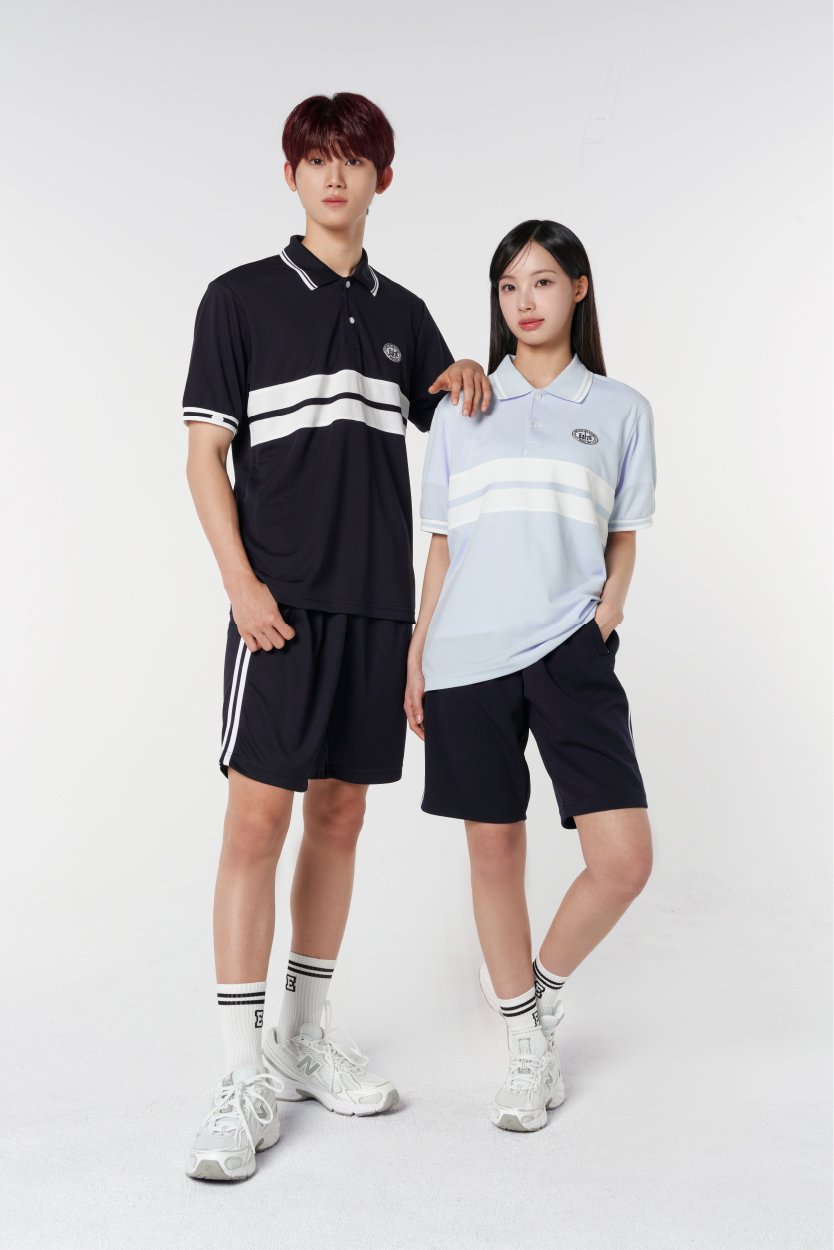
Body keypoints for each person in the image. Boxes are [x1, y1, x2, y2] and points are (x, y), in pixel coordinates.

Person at [182, 92, 491, 1181]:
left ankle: (302, 1036)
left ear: (380, 179)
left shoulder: (405, 312)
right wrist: (240, 585)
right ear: (292, 174)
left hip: (374, 607)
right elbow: (203, 458)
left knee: (342, 814)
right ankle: (239, 1074)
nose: (334, 176)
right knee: (256, 821)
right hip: (277, 606)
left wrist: (469, 375)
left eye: (353, 159)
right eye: (316, 158)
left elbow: (456, 418)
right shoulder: (239, 298)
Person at [405, 219, 656, 1133]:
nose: (525, 301)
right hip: (467, 656)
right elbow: (442, 548)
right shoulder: (462, 408)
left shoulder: (621, 408)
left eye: (543, 282)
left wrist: (606, 614)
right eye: (509, 286)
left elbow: (623, 534)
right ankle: (523, 1044)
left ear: (578, 289)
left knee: (623, 861)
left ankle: (537, 990)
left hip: (570, 650)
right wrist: (417, 655)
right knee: (494, 848)